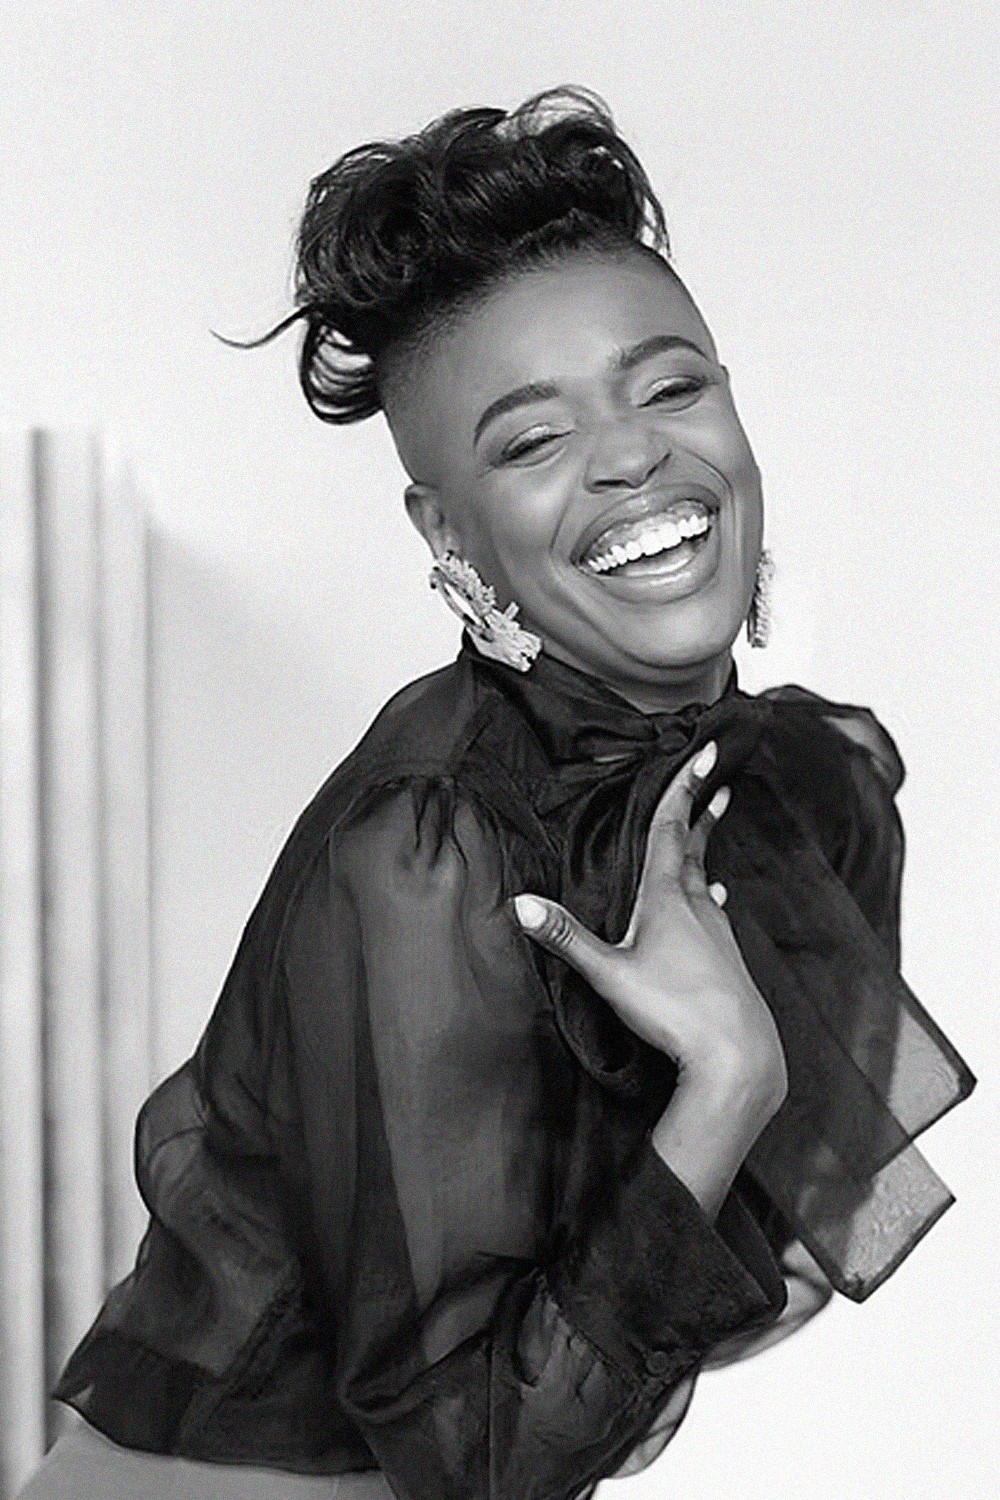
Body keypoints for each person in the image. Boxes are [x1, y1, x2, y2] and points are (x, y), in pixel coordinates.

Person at [20, 87, 974, 1500]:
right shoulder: (428, 850)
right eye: (530, 441)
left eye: (671, 385)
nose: (634, 452)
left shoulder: (791, 792)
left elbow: (733, 1282)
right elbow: (474, 1463)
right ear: (443, 527)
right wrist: (721, 1082)